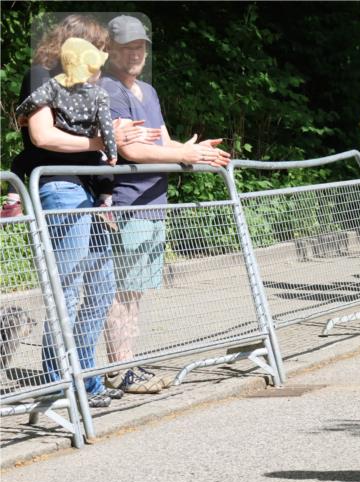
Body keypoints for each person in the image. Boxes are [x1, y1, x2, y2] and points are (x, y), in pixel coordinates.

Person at [11, 14, 159, 409]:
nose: (102, 54)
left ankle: (84, 376)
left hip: (92, 192)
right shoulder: (42, 75)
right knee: (70, 287)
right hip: (59, 187)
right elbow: (43, 135)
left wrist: (107, 179)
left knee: (100, 287)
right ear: (74, 43)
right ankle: (58, 379)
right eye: (97, 45)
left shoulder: (90, 84)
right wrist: (100, 142)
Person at [98, 15, 231, 394]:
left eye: (140, 47)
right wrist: (185, 154)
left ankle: (126, 364)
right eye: (128, 48)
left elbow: (164, 142)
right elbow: (129, 147)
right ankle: (119, 369)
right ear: (109, 51)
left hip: (153, 202)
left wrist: (193, 151)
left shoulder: (148, 91)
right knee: (121, 291)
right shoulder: (109, 90)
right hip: (127, 202)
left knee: (133, 291)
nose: (136, 54)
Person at [15, 38, 118, 166]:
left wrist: (22, 113)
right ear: (91, 69)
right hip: (86, 146)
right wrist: (112, 153)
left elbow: (33, 100)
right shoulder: (100, 94)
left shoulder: (55, 85)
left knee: (19, 162)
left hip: (63, 145)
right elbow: (106, 126)